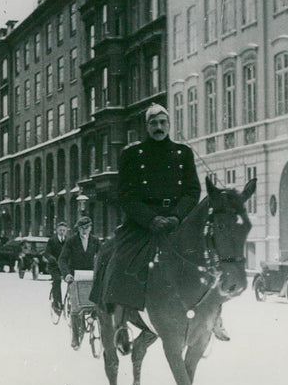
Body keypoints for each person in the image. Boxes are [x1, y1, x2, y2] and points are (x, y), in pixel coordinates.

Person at [97, 103, 229, 355]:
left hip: (177, 222)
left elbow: (192, 190)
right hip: (142, 225)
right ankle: (120, 322)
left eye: (162, 122)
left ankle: (214, 316)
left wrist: (177, 216)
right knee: (122, 259)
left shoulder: (182, 153)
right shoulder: (132, 154)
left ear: (169, 125)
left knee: (209, 259)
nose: (158, 127)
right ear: (147, 126)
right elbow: (126, 195)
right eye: (153, 123)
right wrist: (150, 219)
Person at [59, 216, 100, 349]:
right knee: (76, 308)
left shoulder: (95, 241)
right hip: (75, 278)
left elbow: (102, 257)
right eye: (81, 228)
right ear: (78, 229)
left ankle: (94, 322)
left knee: (97, 305)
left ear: (90, 228)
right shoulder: (71, 241)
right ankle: (75, 337)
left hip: (91, 278)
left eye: (87, 228)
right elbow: (62, 259)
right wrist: (67, 274)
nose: (84, 230)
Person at [44, 221, 69, 315]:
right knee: (57, 280)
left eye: (64, 230)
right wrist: (51, 258)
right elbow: (47, 253)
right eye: (60, 230)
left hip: (64, 266)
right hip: (54, 266)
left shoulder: (68, 241)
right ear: (57, 230)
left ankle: (71, 301)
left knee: (72, 280)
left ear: (66, 231)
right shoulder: (52, 240)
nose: (62, 232)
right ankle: (57, 303)